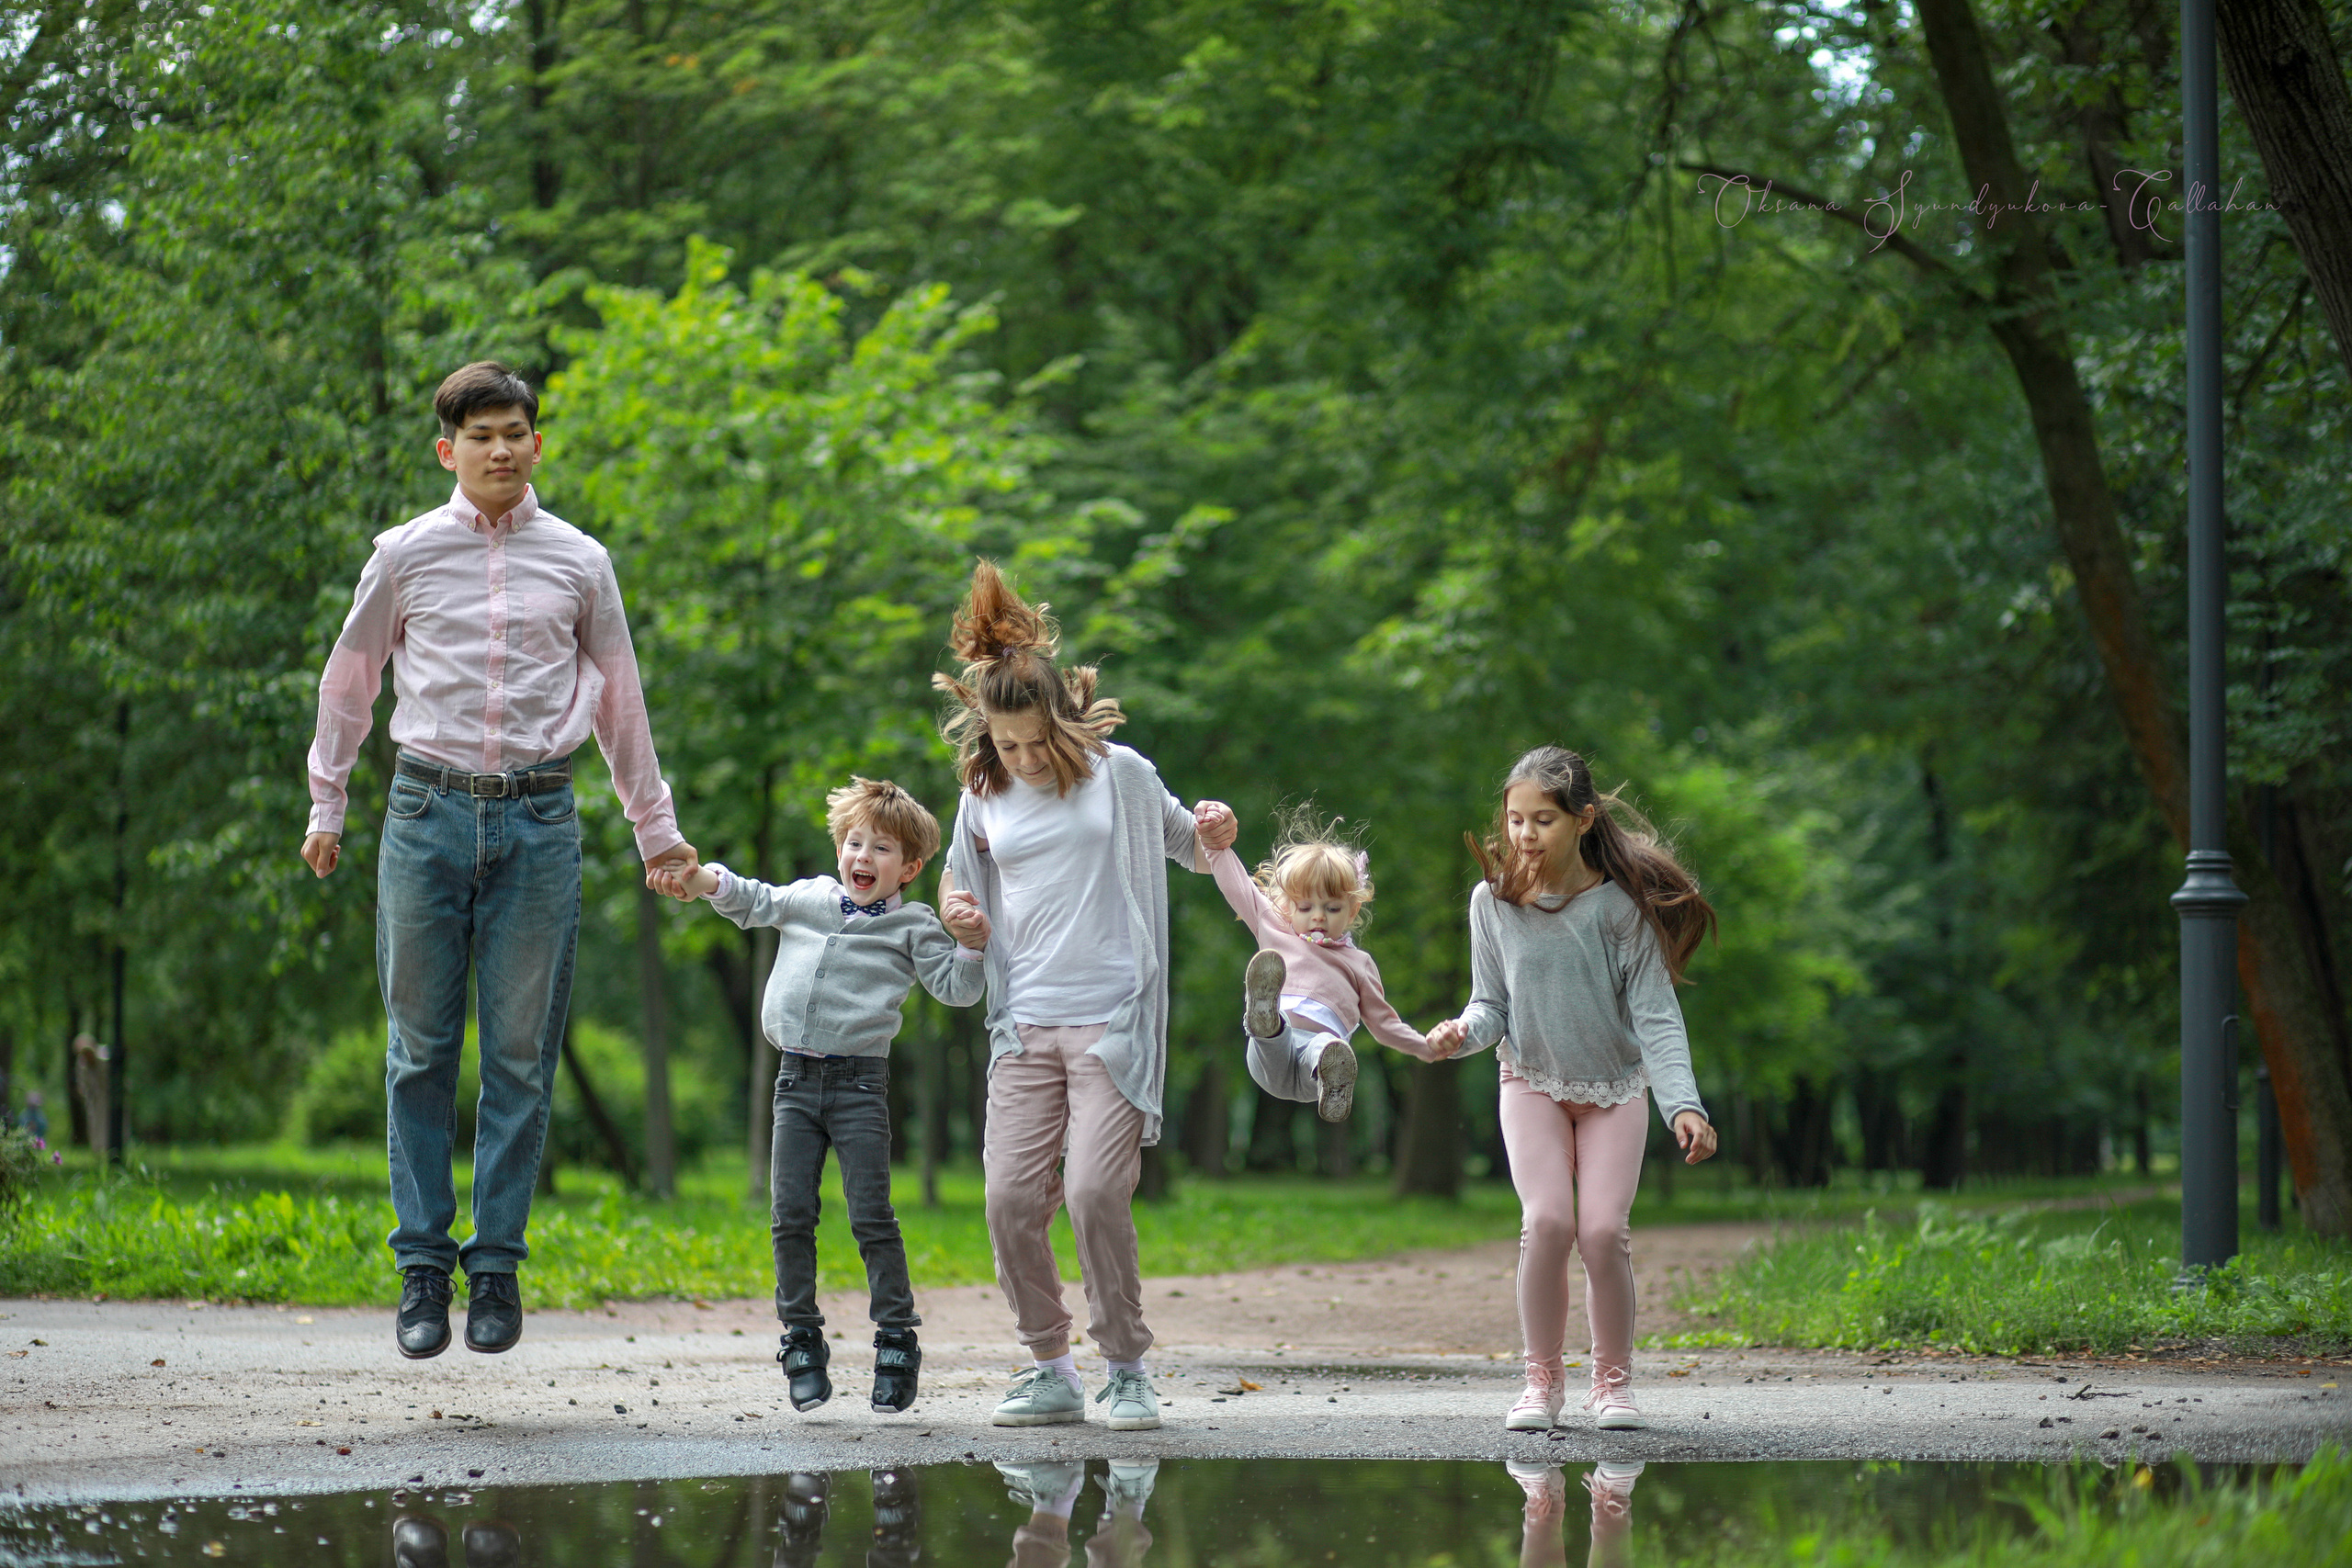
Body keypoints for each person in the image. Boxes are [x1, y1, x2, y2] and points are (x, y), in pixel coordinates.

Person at [300, 361, 695, 1360]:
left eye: (516, 430)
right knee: (421, 1052)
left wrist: (655, 828)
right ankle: (423, 1272)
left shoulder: (580, 562)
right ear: (449, 450)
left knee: (521, 1059)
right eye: (481, 434)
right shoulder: (404, 555)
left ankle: (498, 1274)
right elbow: (350, 680)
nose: (502, 448)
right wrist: (328, 800)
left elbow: (620, 697)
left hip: (538, 822)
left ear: (537, 443)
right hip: (424, 814)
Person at [932, 559, 1235, 1432]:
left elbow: (1188, 843)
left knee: (1096, 1191)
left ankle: (1127, 1366)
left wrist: (1217, 829)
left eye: (1033, 740)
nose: (1022, 758)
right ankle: (1051, 1365)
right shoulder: (982, 790)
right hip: (1024, 1021)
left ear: (1061, 717)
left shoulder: (1122, 775)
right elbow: (962, 878)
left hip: (1113, 1020)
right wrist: (957, 908)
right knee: (1007, 1200)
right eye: (1005, 743)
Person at [653, 777, 990, 1414]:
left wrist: (972, 946)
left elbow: (957, 988)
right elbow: (751, 898)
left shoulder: (914, 926)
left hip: (860, 1086)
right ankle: (801, 1338)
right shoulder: (809, 898)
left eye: (881, 848)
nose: (862, 856)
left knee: (870, 1215)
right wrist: (700, 880)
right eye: (854, 842)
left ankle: (896, 1338)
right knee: (790, 1216)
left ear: (910, 867)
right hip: (794, 1084)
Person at [1427, 746, 1720, 1432]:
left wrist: (1684, 1104)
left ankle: (1612, 1384)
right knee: (1548, 1221)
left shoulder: (1618, 908)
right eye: (1516, 819)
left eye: (1544, 820)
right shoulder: (1491, 902)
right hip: (1529, 1081)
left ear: (1583, 820)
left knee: (1603, 1230)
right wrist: (1460, 1034)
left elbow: (1655, 1011)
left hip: (1614, 1090)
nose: (1526, 834)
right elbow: (1489, 1004)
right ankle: (1541, 1378)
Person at [1205, 811, 1437, 1122]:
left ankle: (1335, 1077)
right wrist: (1214, 844)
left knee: (1326, 1045)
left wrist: (1423, 1047)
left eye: (1332, 908)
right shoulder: (1275, 928)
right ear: (1287, 906)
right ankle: (1264, 1014)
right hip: (1269, 1057)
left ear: (1352, 911)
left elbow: (1384, 1023)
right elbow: (1238, 887)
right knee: (1273, 1033)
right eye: (1305, 907)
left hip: (1313, 1076)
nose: (1318, 916)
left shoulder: (1359, 964)